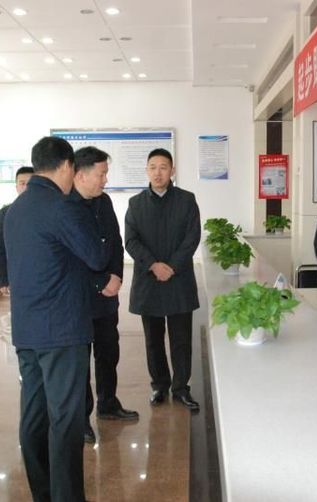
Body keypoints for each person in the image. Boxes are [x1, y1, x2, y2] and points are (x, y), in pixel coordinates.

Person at [5, 136, 109, 502]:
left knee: (34, 417)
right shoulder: (60, 207)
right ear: (66, 166)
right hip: (62, 331)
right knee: (65, 421)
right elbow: (96, 257)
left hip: (27, 330)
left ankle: (44, 494)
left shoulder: (15, 209)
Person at [70, 146, 139, 445]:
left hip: (107, 296)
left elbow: (115, 242)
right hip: (81, 297)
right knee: (80, 361)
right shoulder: (66, 206)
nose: (105, 180)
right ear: (81, 175)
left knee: (109, 352)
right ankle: (81, 419)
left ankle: (108, 403)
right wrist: (100, 282)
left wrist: (116, 277)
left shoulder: (104, 201)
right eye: (101, 174)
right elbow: (71, 257)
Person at [125, 148, 202, 411]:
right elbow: (131, 241)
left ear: (172, 171)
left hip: (178, 279)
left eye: (163, 167)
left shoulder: (187, 200)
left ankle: (181, 388)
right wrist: (154, 265)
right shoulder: (136, 204)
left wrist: (172, 266)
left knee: (181, 338)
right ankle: (159, 385)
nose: (158, 173)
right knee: (153, 339)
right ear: (146, 170)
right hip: (149, 280)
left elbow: (192, 237)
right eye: (153, 167)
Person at [0, 165, 34, 295]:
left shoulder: (47, 210)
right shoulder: (5, 213)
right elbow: (0, 248)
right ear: (16, 187)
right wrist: (2, 280)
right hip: (17, 274)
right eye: (22, 183)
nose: (26, 187)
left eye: (30, 183)